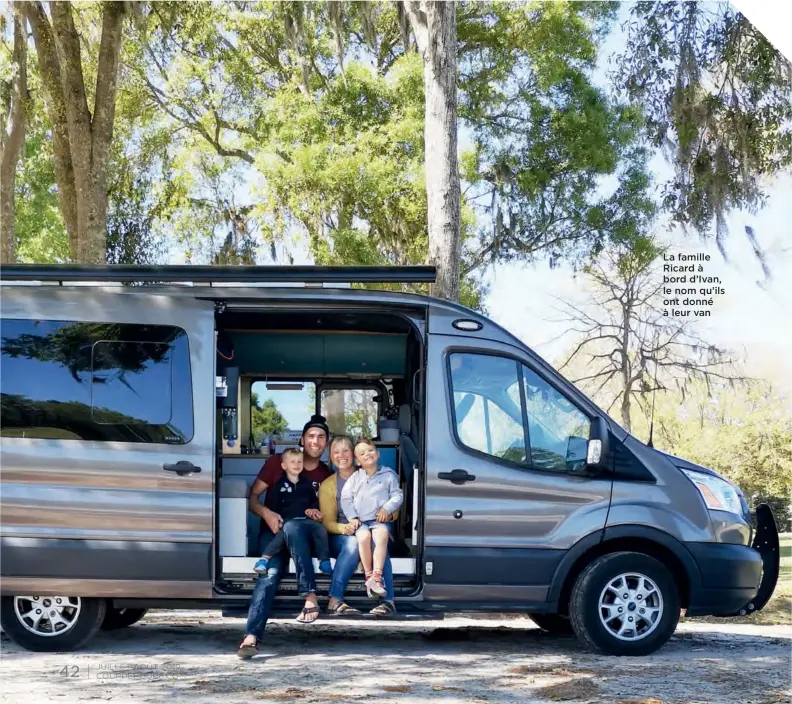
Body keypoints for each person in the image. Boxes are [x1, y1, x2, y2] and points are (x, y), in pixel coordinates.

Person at [238, 415, 332, 659]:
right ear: (302, 439)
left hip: (305, 538)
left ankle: (310, 596)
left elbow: (325, 515)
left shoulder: (326, 475)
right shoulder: (277, 463)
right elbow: (252, 500)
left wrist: (317, 515)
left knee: (295, 528)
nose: (315, 441)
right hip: (273, 536)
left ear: (326, 443)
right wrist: (267, 513)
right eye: (310, 436)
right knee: (268, 576)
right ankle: (251, 636)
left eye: (321, 437)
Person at [319, 435, 397, 616]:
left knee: (377, 541)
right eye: (336, 452)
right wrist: (344, 528)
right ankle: (335, 599)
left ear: (354, 456)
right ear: (330, 457)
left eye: (345, 450)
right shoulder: (329, 485)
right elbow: (327, 522)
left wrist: (387, 513)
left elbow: (394, 506)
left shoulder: (371, 473)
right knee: (354, 543)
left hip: (374, 527)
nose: (341, 455)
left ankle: (388, 601)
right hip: (343, 535)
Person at [254, 447, 332, 577]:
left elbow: (313, 500)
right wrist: (276, 518)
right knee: (281, 535)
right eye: (293, 462)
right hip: (287, 521)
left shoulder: (307, 484)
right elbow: (273, 503)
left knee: (320, 530)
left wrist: (313, 510)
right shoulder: (279, 484)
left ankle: (324, 561)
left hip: (305, 521)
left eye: (299, 462)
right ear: (284, 466)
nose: (297, 465)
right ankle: (264, 559)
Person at [341, 439, 403, 598]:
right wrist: (352, 517)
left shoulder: (389, 475)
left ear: (377, 453)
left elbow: (398, 495)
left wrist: (386, 508)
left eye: (370, 450)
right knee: (363, 537)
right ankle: (368, 576)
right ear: (358, 461)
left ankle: (377, 575)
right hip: (361, 521)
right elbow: (345, 498)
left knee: (381, 536)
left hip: (378, 520)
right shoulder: (355, 477)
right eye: (362, 453)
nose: (367, 454)